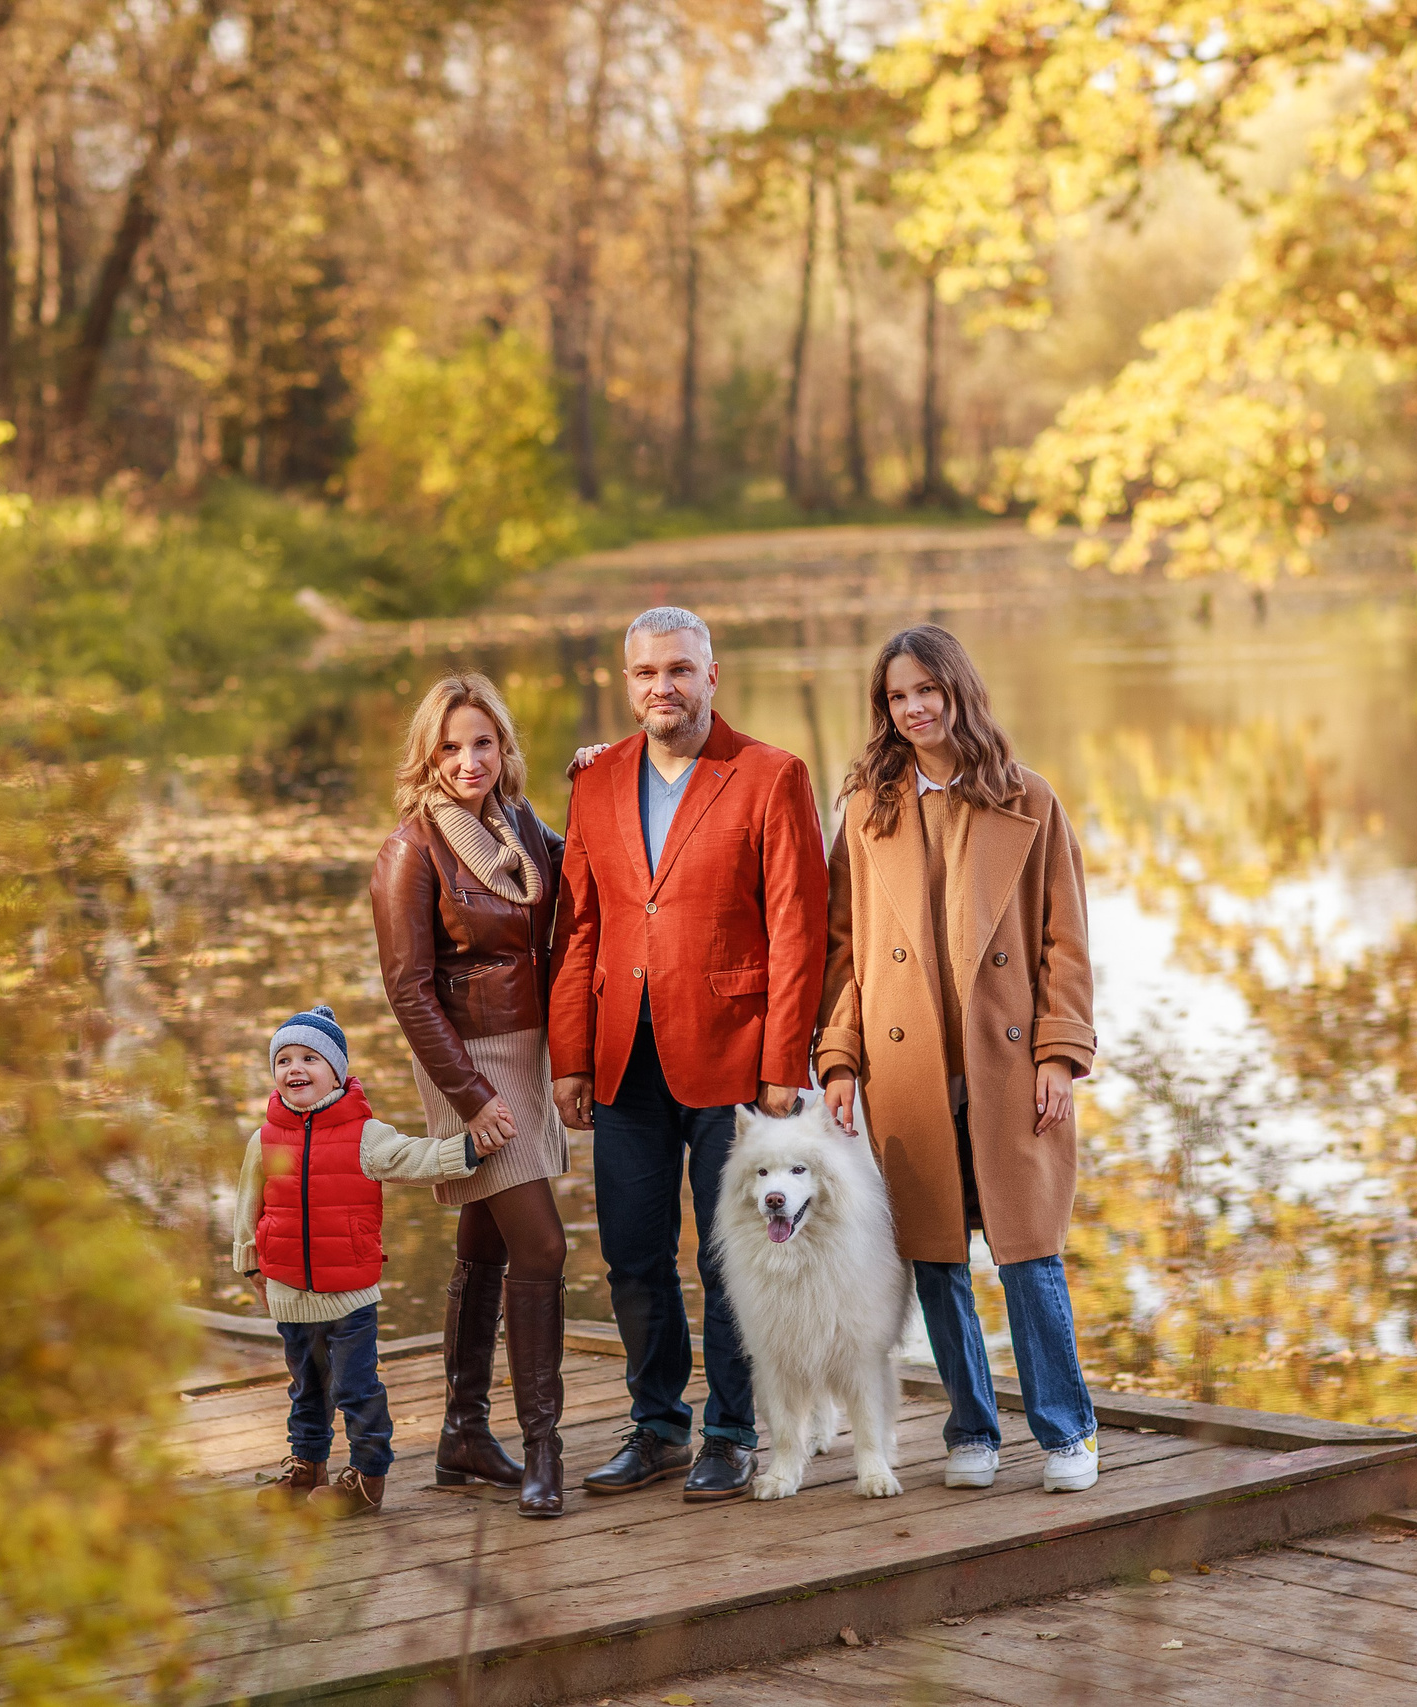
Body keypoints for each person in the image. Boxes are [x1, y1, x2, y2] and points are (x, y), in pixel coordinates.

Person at [549, 606, 829, 1503]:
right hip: (623, 1053)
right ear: (625, 684)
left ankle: (731, 1430)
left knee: (733, 1257)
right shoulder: (594, 784)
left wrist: (786, 1064)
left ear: (712, 675)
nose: (660, 687)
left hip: (737, 1056)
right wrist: (570, 1056)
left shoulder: (771, 775)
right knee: (632, 1252)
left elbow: (799, 930)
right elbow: (580, 927)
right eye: (644, 674)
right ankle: (658, 1424)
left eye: (678, 670)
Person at [816, 624, 1103, 1494]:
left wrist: (1059, 1053)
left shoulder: (1029, 800)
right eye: (898, 696)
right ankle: (970, 1426)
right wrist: (838, 1060)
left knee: (1028, 1251)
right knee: (936, 1253)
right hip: (907, 1069)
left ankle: (1066, 1432)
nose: (914, 708)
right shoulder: (869, 810)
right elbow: (841, 950)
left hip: (1009, 1063)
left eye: (926, 691)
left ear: (958, 691)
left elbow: (1067, 943)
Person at [369, 674, 573, 1517]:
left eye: (482, 742)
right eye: (450, 746)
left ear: (504, 747)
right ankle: (542, 1447)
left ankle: (462, 1429)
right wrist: (472, 1097)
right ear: (428, 753)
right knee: (545, 1248)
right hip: (466, 1065)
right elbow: (408, 989)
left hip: (525, 1050)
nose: (467, 760)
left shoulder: (521, 829)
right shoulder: (411, 849)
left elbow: (588, 866)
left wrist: (600, 770)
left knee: (486, 1242)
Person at [234, 1005, 499, 1516]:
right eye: (284, 1059)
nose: (295, 1068)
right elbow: (250, 1204)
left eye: (310, 1057)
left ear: (337, 1070)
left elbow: (413, 1158)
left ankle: (366, 1476)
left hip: (348, 1293)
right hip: (288, 1289)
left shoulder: (365, 1135)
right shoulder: (263, 1139)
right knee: (306, 1388)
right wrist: (250, 1264)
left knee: (355, 1386)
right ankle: (307, 1466)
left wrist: (468, 1150)